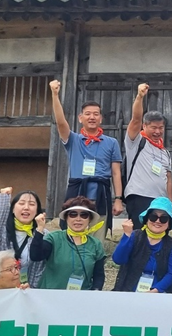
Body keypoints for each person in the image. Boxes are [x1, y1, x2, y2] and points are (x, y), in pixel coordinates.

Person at [49, 80, 123, 235]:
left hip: (100, 195)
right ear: (80, 118)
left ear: (101, 118)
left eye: (96, 114)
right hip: (76, 195)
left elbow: (116, 173)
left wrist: (118, 199)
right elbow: (61, 122)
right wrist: (55, 95)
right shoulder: (73, 140)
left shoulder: (111, 142)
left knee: (97, 238)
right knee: (73, 237)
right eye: (88, 114)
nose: (92, 117)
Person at [29, 197, 106, 291]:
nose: (78, 219)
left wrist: (95, 291)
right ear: (66, 218)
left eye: (84, 215)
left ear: (90, 219)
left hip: (81, 296)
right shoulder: (54, 238)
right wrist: (40, 229)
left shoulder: (95, 244)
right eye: (73, 214)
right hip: (51, 295)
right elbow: (35, 256)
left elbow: (99, 275)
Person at [123, 83, 172, 225]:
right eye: (153, 127)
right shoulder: (136, 142)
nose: (158, 131)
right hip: (139, 197)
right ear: (144, 126)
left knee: (158, 234)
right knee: (140, 234)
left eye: (161, 127)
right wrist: (140, 97)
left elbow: (168, 178)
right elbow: (135, 119)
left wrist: (169, 202)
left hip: (160, 201)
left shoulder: (164, 151)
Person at [111, 197, 172, 293]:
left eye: (164, 218)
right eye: (153, 217)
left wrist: (155, 291)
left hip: (160, 292)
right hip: (130, 290)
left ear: (169, 223)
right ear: (147, 219)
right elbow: (118, 259)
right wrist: (127, 235)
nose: (157, 221)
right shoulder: (134, 236)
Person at [0, 186, 45, 286]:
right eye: (21, 203)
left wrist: (32, 289)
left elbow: (39, 267)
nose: (26, 207)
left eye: (31, 204)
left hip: (25, 288)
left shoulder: (43, 234)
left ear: (37, 211)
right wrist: (3, 201)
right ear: (12, 209)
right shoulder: (1, 229)